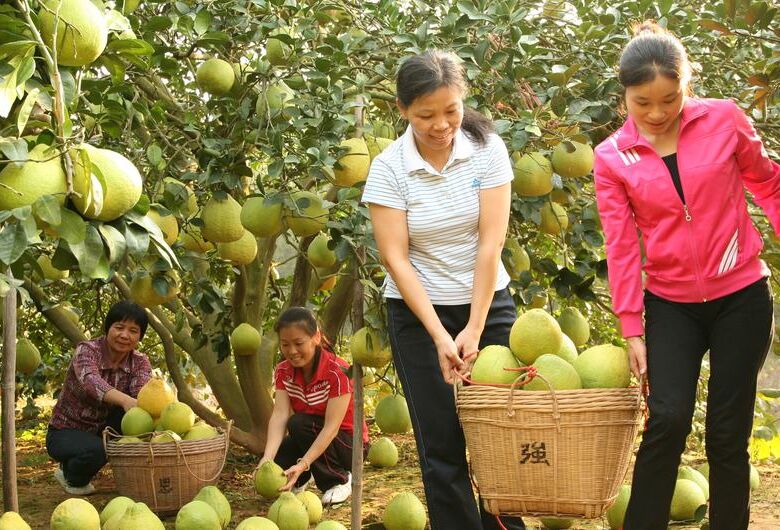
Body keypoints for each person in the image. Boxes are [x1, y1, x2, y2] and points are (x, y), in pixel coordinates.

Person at [593, 21, 780, 530]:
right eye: (642, 103)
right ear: (625, 96)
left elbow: (770, 184)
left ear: (686, 84)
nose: (656, 114)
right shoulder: (612, 157)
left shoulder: (725, 121)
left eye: (669, 100)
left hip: (741, 294)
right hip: (670, 304)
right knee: (668, 419)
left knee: (726, 432)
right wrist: (631, 325)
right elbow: (621, 245)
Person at [362, 50, 525, 530]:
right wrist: (438, 335)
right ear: (402, 110)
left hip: (487, 303)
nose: (441, 125)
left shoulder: (488, 149)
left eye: (451, 110)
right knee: (441, 442)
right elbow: (396, 258)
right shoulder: (389, 168)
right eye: (425, 115)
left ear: (463, 100)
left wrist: (475, 326)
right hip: (417, 312)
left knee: (501, 434)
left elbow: (491, 243)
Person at [260, 306, 369, 505]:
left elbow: (331, 428)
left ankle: (339, 479)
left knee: (299, 423)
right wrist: (267, 457)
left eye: (298, 343)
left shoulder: (338, 372)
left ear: (316, 337)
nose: (291, 351)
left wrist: (304, 463)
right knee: (280, 455)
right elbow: (280, 415)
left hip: (350, 446)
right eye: (285, 344)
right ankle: (301, 479)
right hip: (313, 433)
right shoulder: (283, 370)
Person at [47, 300, 152, 495]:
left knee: (135, 419)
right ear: (108, 328)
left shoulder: (140, 362)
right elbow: (91, 381)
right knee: (99, 450)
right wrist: (126, 400)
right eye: (119, 327)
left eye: (133, 331)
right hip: (65, 430)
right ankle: (70, 475)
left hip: (103, 429)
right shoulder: (87, 350)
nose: (124, 335)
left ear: (140, 337)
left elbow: (143, 393)